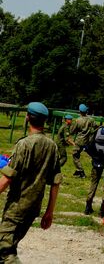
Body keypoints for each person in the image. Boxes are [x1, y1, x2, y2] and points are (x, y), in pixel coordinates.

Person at [0, 102, 62, 262]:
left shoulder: (24, 145)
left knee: (4, 251)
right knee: (8, 247)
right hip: (33, 207)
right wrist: (49, 212)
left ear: (27, 118)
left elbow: (7, 178)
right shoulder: (52, 147)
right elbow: (55, 183)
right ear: (45, 121)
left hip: (17, 207)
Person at [84, 119, 104, 217]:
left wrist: (94, 157)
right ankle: (102, 210)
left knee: (93, 184)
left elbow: (90, 144)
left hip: (96, 162)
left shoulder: (98, 129)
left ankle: (88, 206)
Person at [70, 104, 96, 178]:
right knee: (93, 155)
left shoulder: (78, 120)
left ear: (79, 111)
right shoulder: (91, 119)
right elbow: (95, 127)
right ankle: (97, 167)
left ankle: (80, 171)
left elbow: (72, 131)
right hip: (88, 141)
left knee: (75, 155)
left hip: (80, 141)